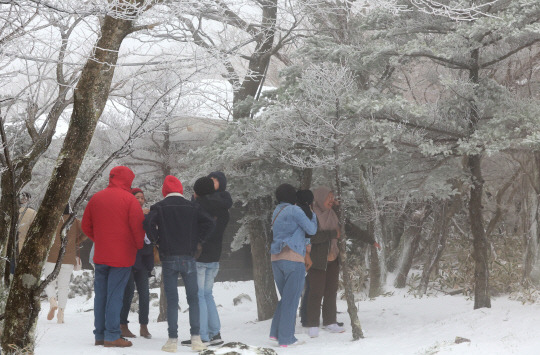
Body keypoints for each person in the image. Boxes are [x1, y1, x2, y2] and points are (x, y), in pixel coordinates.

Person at [143, 175, 215, 353]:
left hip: (168, 257)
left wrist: (156, 240)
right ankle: (196, 338)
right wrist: (198, 241)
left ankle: (172, 340)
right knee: (193, 299)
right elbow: (209, 223)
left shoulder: (159, 207)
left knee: (172, 300)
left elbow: (148, 223)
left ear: (164, 191)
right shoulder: (192, 206)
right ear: (181, 190)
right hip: (189, 257)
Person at [82, 166, 145, 348]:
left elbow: (86, 226)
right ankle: (112, 335)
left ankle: (100, 335)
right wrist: (137, 245)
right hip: (122, 256)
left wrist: (100, 240)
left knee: (100, 295)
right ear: (127, 180)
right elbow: (137, 228)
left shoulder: (96, 198)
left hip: (101, 255)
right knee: (115, 295)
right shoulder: (130, 200)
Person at [181, 176, 230, 347]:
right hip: (215, 255)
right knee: (208, 294)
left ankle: (201, 335)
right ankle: (215, 332)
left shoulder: (195, 207)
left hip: (198, 255)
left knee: (199, 295)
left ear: (196, 191)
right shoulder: (223, 208)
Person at [269, 183, 317, 348]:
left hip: (276, 258)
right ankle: (286, 338)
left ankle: (275, 333)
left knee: (286, 299)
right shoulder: (295, 210)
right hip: (293, 258)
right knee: (291, 299)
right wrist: (312, 213)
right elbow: (311, 229)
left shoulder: (277, 211)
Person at [43, 203, 87, 323]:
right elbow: (86, 232)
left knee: (48, 282)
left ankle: (52, 300)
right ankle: (61, 313)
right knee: (63, 287)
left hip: (52, 257)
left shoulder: (52, 220)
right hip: (68, 258)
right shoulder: (75, 221)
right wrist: (76, 240)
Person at [120, 188, 153, 339]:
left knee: (144, 294)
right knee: (127, 294)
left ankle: (144, 326)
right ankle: (123, 325)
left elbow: (150, 237)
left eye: (142, 197)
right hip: (128, 259)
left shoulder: (147, 216)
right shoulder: (125, 214)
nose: (140, 200)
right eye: (137, 197)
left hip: (143, 260)